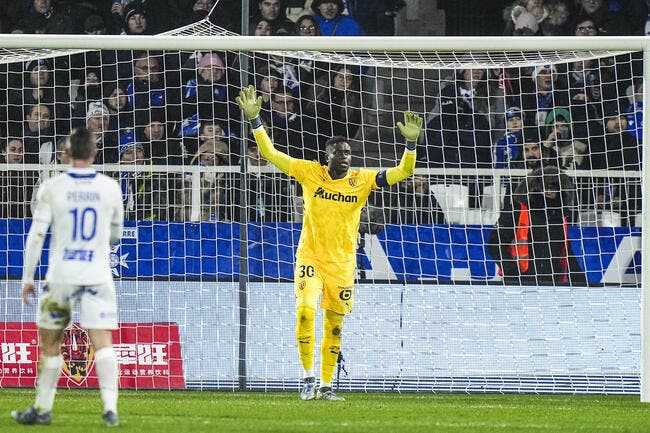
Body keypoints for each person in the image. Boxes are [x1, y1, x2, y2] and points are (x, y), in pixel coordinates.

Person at [236, 85, 422, 401]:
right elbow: (270, 154)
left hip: (343, 265)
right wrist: (255, 120)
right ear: (328, 155)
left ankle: (326, 385)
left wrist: (411, 143)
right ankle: (308, 379)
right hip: (310, 258)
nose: (346, 156)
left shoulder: (363, 180)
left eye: (349, 153)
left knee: (334, 327)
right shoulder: (310, 173)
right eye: (340, 152)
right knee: (306, 313)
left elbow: (405, 171)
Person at [12, 127, 123, 427]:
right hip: (97, 275)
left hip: (61, 276)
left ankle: (43, 409)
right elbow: (115, 234)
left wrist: (27, 278)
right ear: (94, 153)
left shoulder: (52, 187)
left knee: (50, 343)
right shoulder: (110, 187)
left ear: (64, 154)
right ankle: (110, 409)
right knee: (103, 342)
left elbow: (36, 237)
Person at [487, 166, 586, 286]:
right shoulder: (518, 210)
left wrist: (582, 283)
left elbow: (566, 253)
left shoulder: (560, 216)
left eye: (553, 188)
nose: (549, 191)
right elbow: (495, 243)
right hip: (519, 283)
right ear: (536, 188)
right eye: (545, 188)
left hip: (552, 285)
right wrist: (512, 273)